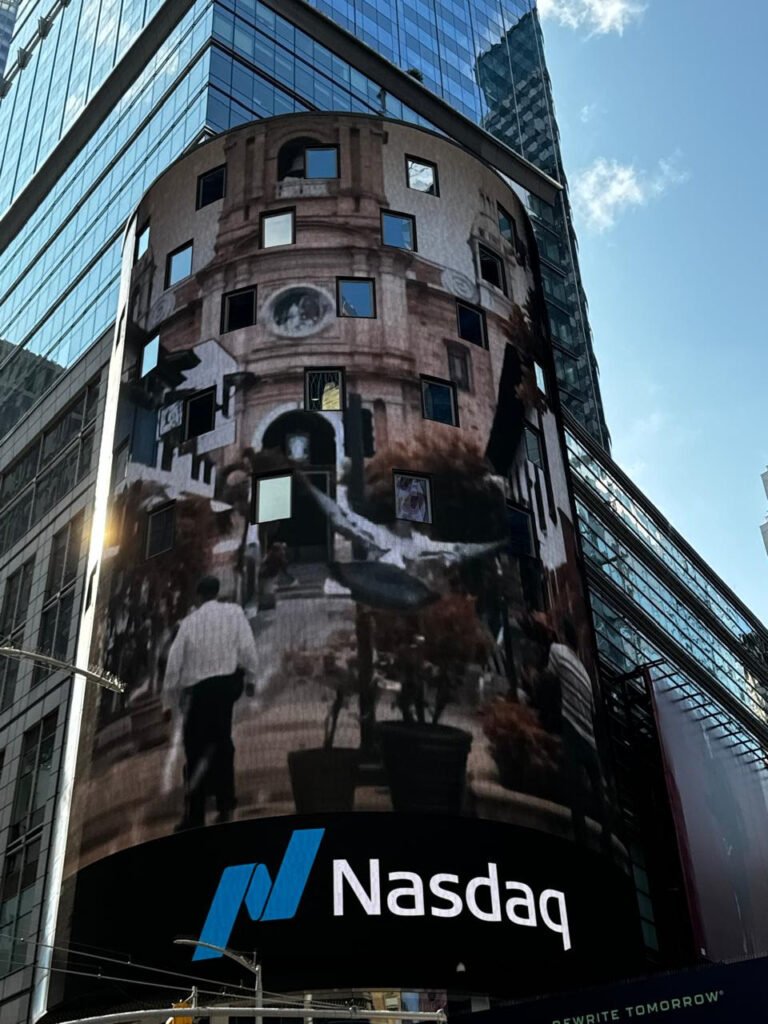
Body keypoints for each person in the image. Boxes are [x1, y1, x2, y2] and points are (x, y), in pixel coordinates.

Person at [163, 575, 259, 830]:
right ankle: (226, 802)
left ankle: (195, 815)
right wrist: (250, 678)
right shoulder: (234, 613)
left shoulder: (189, 623)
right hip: (225, 688)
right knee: (223, 742)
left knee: (195, 751)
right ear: (217, 592)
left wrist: (167, 702)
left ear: (198, 596)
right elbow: (247, 646)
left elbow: (174, 664)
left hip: (198, 693)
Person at [545, 617, 609, 851]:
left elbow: (549, 678)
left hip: (571, 726)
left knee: (575, 791)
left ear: (562, 635)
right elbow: (592, 710)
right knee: (598, 796)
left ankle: (581, 841)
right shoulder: (584, 671)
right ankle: (606, 842)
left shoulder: (557, 650)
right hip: (590, 738)